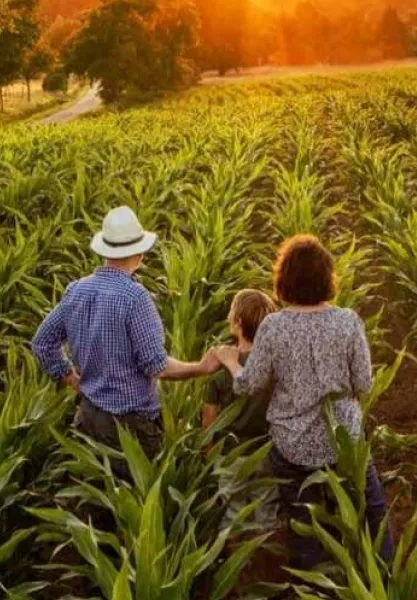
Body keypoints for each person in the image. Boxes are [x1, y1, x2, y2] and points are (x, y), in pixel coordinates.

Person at [212, 235, 395, 569]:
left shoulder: (274, 327)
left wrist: (230, 362)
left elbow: (249, 384)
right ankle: (382, 578)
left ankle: (313, 584)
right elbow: (364, 383)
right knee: (373, 510)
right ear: (328, 278)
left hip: (292, 446)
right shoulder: (348, 321)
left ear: (284, 281)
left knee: (303, 523)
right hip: (344, 442)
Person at [32, 206, 218, 476]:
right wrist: (201, 367)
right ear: (138, 254)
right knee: (137, 505)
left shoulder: (77, 290)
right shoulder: (135, 298)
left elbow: (41, 343)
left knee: (94, 505)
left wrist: (71, 378)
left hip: (87, 416)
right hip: (131, 428)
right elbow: (158, 366)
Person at [203, 288, 279, 526]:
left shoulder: (221, 370)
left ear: (236, 322)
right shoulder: (274, 365)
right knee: (266, 509)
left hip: (230, 456)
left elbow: (209, 422)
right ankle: (263, 558)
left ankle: (238, 559)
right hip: (267, 453)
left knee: (232, 511)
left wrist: (208, 455)